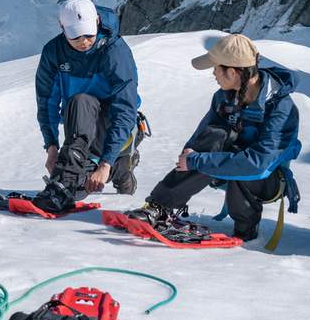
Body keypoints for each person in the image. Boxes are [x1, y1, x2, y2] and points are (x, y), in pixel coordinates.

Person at [127, 34, 300, 245]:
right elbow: (202, 137)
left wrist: (197, 161)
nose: (213, 73)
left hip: (268, 179)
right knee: (217, 135)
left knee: (242, 165)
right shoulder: (223, 97)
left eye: (216, 68)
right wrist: (189, 156)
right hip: (230, 166)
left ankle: (246, 233)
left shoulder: (282, 108)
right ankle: (160, 206)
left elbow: (257, 164)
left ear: (233, 72)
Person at [31, 0, 144, 214]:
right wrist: (52, 147)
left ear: (98, 21)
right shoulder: (54, 52)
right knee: (78, 188)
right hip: (79, 130)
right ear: (62, 27)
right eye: (76, 36)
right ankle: (74, 182)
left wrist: (105, 163)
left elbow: (125, 107)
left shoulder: (115, 51)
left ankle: (116, 164)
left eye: (89, 35)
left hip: (113, 125)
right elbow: (46, 102)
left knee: (81, 100)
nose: (84, 41)